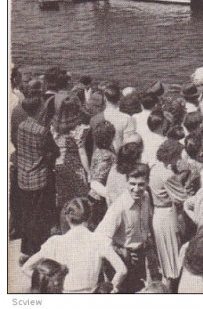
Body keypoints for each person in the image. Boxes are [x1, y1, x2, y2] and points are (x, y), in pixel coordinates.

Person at [22, 197, 127, 293]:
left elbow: (26, 268)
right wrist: (112, 287)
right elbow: (122, 270)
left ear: (67, 218)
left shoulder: (55, 242)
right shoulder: (99, 240)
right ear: (89, 217)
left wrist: (48, 283)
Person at [95, 163, 159, 293]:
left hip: (140, 256)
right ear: (126, 182)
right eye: (132, 184)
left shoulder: (146, 197)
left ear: (147, 182)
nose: (136, 189)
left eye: (140, 184)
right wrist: (118, 261)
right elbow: (99, 238)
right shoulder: (119, 207)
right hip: (123, 259)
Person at [15, 96, 60, 258]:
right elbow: (55, 150)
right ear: (39, 109)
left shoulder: (21, 126)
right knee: (39, 216)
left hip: (23, 177)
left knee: (27, 213)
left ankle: (26, 248)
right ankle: (37, 249)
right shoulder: (42, 131)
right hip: (39, 178)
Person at [149, 140, 186, 292]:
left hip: (158, 214)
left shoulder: (154, 168)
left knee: (166, 261)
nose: (179, 158)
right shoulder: (168, 174)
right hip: (167, 216)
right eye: (177, 155)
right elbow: (181, 197)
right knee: (171, 264)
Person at [89, 83, 137, 152]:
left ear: (105, 98)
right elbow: (129, 145)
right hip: (119, 158)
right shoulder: (127, 118)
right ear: (119, 98)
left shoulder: (94, 119)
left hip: (99, 158)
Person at [87, 120, 117, 229]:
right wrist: (110, 196)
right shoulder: (106, 156)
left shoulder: (99, 150)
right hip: (101, 198)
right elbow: (96, 181)